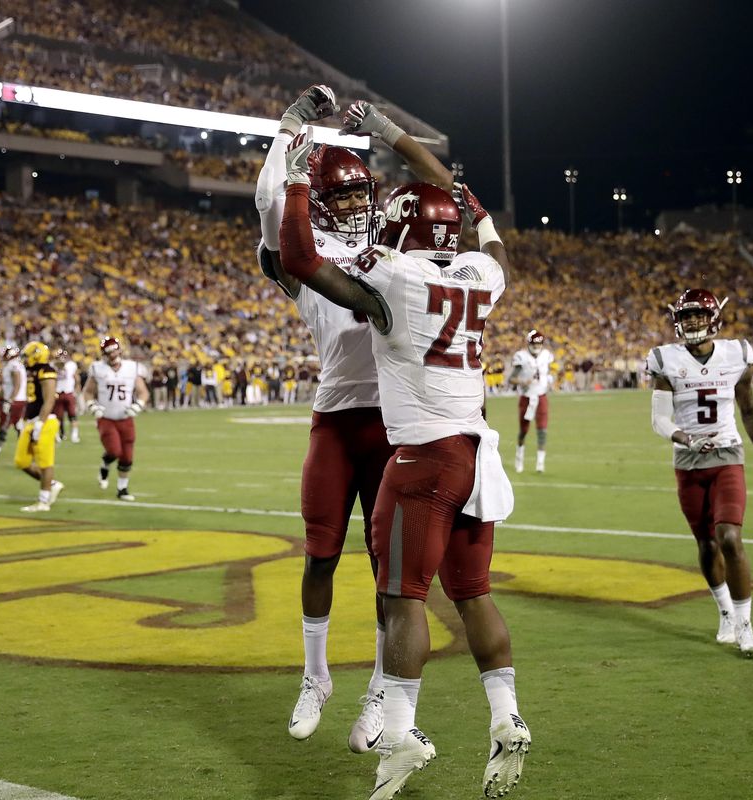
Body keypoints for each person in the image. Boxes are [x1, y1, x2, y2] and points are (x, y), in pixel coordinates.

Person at [279, 130, 530, 800]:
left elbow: (300, 256)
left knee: (401, 601)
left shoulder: (393, 276)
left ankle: (399, 732)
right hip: (480, 454)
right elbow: (484, 226)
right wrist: (405, 146)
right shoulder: (480, 274)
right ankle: (506, 716)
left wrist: (300, 176)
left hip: (421, 458)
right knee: (473, 594)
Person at [256, 86, 464, 754]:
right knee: (319, 552)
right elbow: (270, 211)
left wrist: (388, 130)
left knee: (387, 572)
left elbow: (450, 194)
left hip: (394, 424)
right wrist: (289, 134)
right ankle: (315, 677)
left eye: (357, 195)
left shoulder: (396, 247)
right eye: (339, 196)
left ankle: (379, 691)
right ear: (320, 203)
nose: (351, 204)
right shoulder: (303, 251)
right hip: (335, 419)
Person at [646, 288, 753, 658]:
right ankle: (724, 612)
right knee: (706, 543)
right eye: (686, 315)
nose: (692, 322)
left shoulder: (735, 353)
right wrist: (684, 437)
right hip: (688, 461)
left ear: (713, 318)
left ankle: (744, 625)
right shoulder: (664, 359)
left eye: (698, 315)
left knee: (729, 538)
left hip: (726, 454)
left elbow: (750, 411)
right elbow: (658, 419)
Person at [80, 337, 148, 498]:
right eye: (108, 352)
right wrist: (92, 406)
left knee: (127, 456)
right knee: (114, 450)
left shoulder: (131, 367)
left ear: (120, 350)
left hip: (126, 418)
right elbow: (88, 392)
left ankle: (122, 489)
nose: (112, 355)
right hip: (106, 417)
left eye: (114, 350)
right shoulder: (98, 368)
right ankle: (105, 463)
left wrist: (138, 405)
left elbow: (143, 391)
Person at [14, 342, 65, 512]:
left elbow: (49, 399)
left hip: (44, 421)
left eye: (27, 356)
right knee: (21, 461)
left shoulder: (46, 371)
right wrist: (24, 418)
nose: (25, 360)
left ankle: (43, 501)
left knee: (45, 462)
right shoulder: (32, 371)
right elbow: (32, 400)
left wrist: (40, 423)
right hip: (32, 420)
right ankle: (52, 484)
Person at [510, 330, 555, 474]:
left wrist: (549, 379)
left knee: (542, 430)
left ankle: (540, 463)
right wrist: (523, 382)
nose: (537, 346)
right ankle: (519, 460)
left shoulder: (546, 355)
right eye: (534, 343)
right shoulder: (521, 357)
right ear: (529, 343)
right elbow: (511, 379)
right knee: (523, 431)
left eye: (539, 343)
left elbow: (547, 372)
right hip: (526, 398)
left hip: (541, 396)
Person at [53, 347, 81, 443]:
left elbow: (77, 378)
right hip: (58, 393)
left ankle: (74, 435)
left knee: (72, 415)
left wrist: (76, 391)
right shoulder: (53, 366)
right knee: (57, 417)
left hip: (68, 392)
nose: (61, 359)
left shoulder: (71, 365)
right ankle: (59, 435)